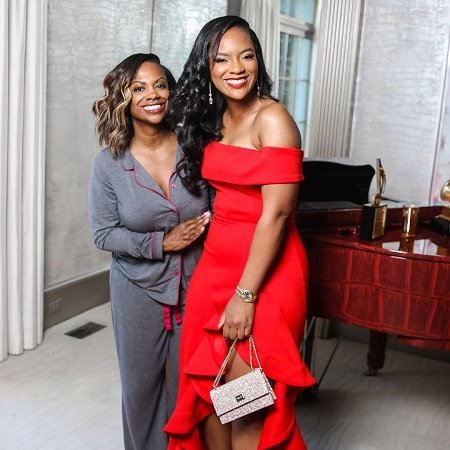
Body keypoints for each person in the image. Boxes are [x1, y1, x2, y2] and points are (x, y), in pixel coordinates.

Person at [164, 16, 316, 450]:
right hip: (215, 269)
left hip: (267, 273)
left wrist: (244, 296)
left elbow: (278, 215)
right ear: (207, 67)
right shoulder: (215, 119)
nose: (236, 67)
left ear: (258, 60)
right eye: (222, 58)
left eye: (246, 55)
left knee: (247, 401)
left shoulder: (274, 119)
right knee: (210, 393)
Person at [88, 53, 212, 450]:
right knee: (140, 395)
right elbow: (104, 233)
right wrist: (162, 242)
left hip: (196, 288)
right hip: (136, 293)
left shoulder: (195, 148)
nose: (153, 95)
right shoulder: (108, 165)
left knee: (189, 392)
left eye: (160, 84)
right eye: (139, 88)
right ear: (123, 98)